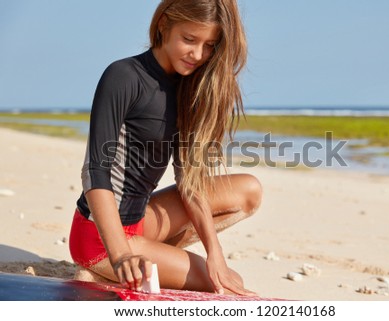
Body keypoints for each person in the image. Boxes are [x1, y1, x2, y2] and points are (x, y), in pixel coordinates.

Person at [68, 0, 262, 296]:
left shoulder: (188, 89)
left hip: (140, 222)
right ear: (164, 25)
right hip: (99, 236)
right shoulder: (124, 76)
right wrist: (121, 254)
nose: (198, 54)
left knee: (248, 190)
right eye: (189, 39)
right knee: (226, 283)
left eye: (209, 45)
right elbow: (95, 171)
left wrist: (215, 253)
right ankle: (107, 265)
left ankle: (142, 258)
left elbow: (189, 182)